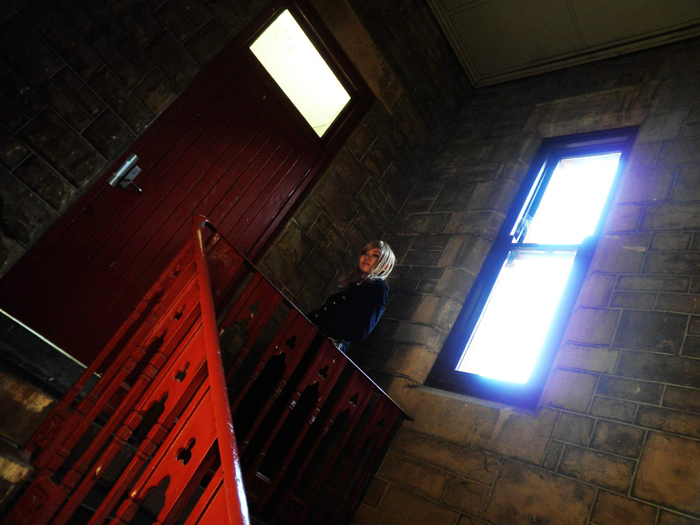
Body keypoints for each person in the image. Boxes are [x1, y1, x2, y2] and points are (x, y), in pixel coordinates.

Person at [309, 240, 395, 351]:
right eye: (365, 253)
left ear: (385, 267)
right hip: (312, 335)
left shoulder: (378, 288)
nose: (367, 257)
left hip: (326, 346)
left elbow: (361, 330)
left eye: (375, 255)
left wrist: (327, 330)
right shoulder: (355, 283)